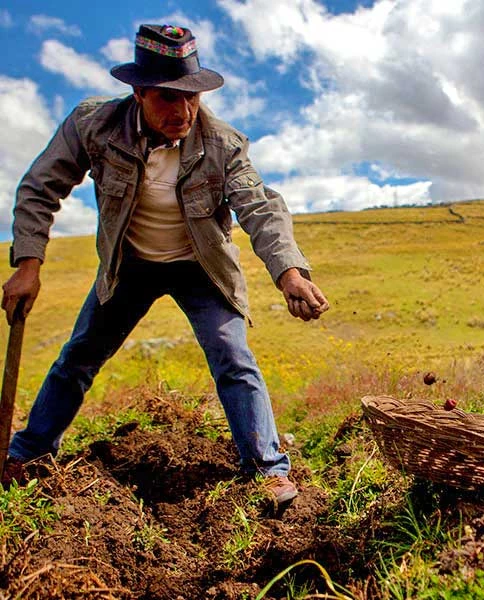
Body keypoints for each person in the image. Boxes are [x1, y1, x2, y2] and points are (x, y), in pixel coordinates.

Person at [0, 24, 329, 506]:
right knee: (78, 357)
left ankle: (266, 471)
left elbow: (260, 208)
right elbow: (39, 187)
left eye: (191, 97)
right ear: (138, 93)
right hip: (129, 265)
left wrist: (289, 273)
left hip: (201, 268)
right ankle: (28, 454)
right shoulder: (94, 125)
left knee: (232, 356)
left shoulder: (223, 143)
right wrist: (28, 264)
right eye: (167, 97)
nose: (182, 111)